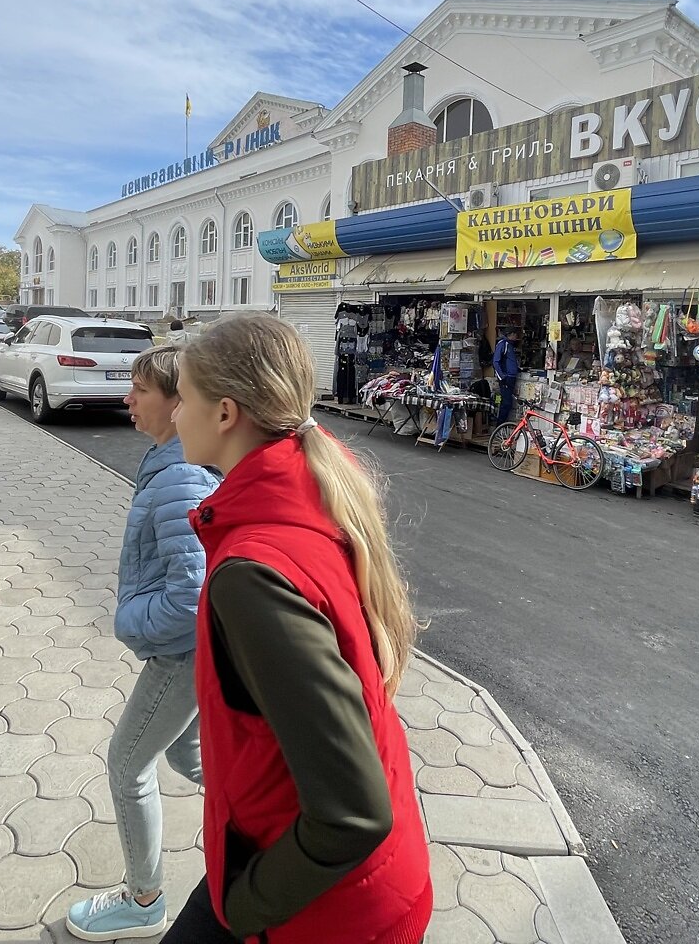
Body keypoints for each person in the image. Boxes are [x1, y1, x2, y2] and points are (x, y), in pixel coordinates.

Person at [163, 314, 432, 944]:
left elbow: (353, 812)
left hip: (322, 908)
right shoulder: (308, 485)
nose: (174, 414)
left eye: (183, 397)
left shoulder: (253, 574)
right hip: (313, 865)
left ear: (225, 413)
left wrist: (249, 908)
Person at [66, 345, 220, 941]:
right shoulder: (169, 461)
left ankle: (144, 898)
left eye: (140, 390)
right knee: (187, 755)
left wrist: (132, 622)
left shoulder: (181, 473)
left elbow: (192, 593)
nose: (127, 399)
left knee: (129, 764)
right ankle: (279, 807)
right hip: (189, 648)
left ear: (179, 403)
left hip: (181, 651)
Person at [493, 327, 521, 424]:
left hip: (511, 377)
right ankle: (499, 426)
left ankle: (501, 426)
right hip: (506, 378)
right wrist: (502, 377)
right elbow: (496, 362)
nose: (517, 336)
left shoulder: (510, 345)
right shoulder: (503, 344)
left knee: (508, 402)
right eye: (515, 334)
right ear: (511, 334)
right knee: (506, 403)